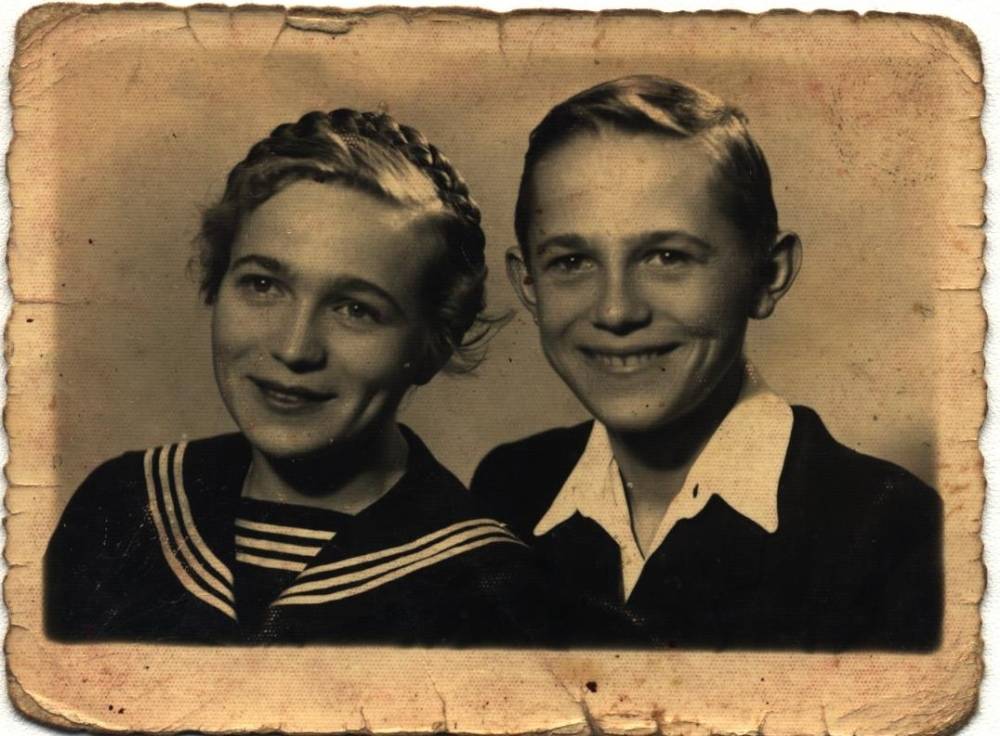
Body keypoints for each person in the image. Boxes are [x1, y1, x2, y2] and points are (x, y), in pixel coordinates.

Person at [471, 75, 943, 650]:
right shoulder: (509, 491)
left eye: (668, 257)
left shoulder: (890, 532)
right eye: (572, 262)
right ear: (528, 284)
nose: (616, 310)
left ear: (768, 275)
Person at [45, 109, 547, 645]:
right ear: (217, 281)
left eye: (356, 309)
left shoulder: (492, 593)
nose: (293, 348)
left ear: (435, 343)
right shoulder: (126, 505)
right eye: (263, 285)